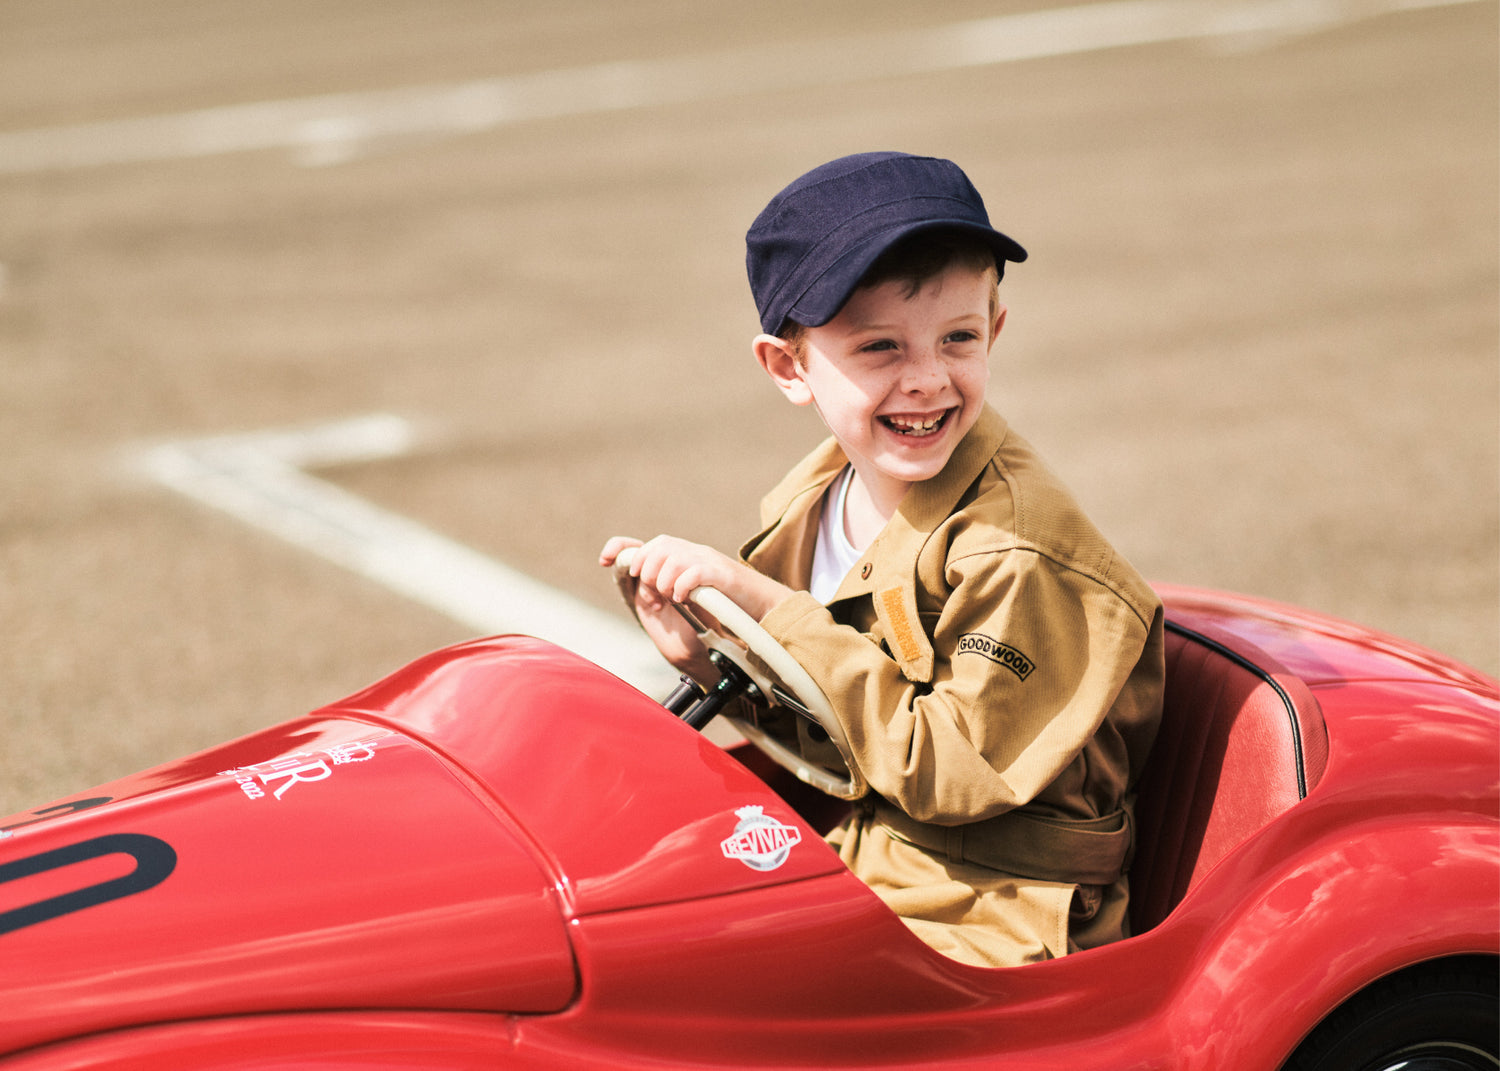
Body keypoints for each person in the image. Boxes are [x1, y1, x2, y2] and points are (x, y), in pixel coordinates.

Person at [600, 151, 1164, 969]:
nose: (929, 379)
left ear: (995, 329)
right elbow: (849, 737)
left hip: (994, 911)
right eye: (880, 348)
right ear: (789, 367)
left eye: (958, 338)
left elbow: (951, 770)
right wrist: (711, 660)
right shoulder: (816, 499)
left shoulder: (1016, 549)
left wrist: (768, 610)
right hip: (874, 854)